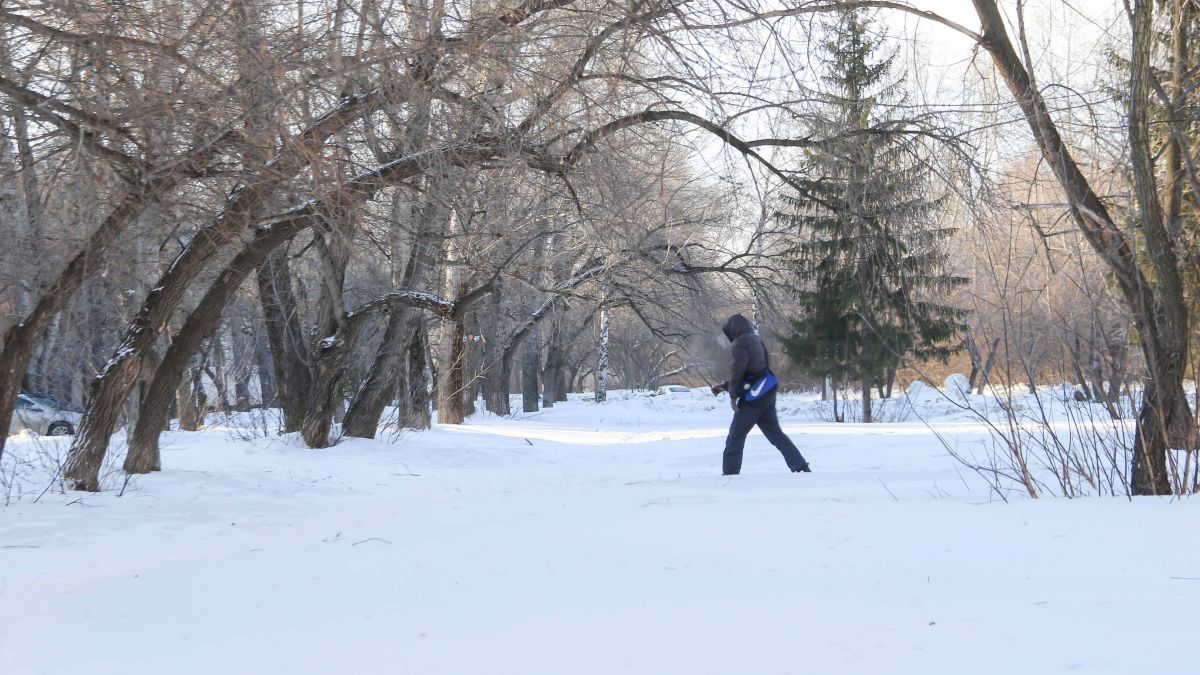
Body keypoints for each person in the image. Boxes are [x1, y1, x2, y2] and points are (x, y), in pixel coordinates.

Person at [711, 314, 811, 475]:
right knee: (775, 434)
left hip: (754, 398)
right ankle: (801, 466)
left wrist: (733, 395)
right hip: (767, 392)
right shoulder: (756, 340)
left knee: (735, 436)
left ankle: (730, 474)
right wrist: (725, 386)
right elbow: (756, 372)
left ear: (733, 330)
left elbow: (738, 371)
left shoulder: (740, 343)